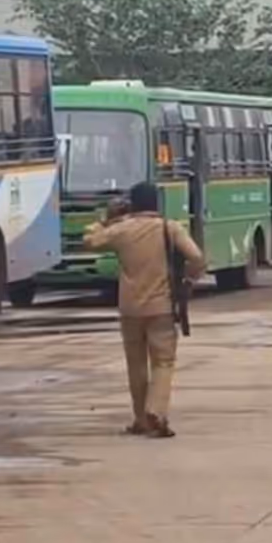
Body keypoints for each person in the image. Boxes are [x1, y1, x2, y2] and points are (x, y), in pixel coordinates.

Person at [83, 182, 204, 439]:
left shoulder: (121, 230)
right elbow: (196, 257)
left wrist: (105, 221)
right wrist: (189, 281)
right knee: (163, 362)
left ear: (133, 205)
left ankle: (140, 419)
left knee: (135, 364)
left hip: (130, 309)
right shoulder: (169, 229)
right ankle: (156, 413)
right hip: (161, 307)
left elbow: (90, 241)